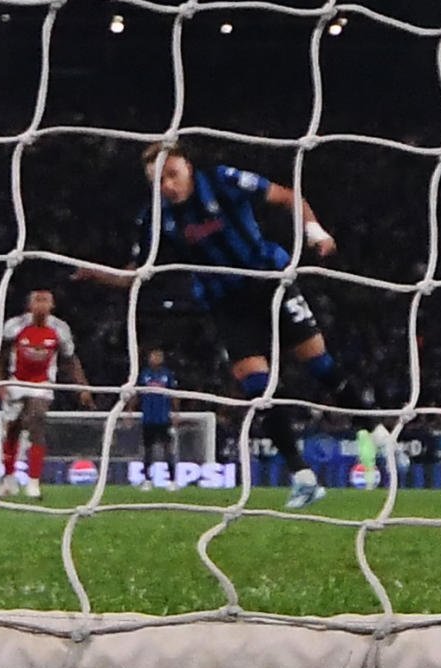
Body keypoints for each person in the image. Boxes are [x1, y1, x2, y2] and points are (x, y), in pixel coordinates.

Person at [76, 143, 347, 509]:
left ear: (188, 166)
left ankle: (376, 429)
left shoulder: (222, 181)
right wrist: (94, 273)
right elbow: (134, 277)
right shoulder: (155, 219)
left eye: (173, 175)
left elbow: (287, 196)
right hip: (226, 304)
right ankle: (303, 477)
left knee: (320, 366)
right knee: (258, 389)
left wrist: (315, 231)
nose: (168, 186)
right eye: (159, 182)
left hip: (269, 281)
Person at [0, 287, 91, 499]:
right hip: (16, 381)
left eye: (46, 300)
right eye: (38, 300)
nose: (42, 304)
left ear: (52, 306)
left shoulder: (60, 329)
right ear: (30, 305)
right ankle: (9, 479)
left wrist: (82, 386)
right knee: (13, 430)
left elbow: (70, 359)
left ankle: (33, 482)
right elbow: (1, 353)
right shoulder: (15, 326)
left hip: (43, 384)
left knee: (36, 420)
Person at [136, 346, 178, 465]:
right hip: (148, 417)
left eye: (159, 356)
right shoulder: (144, 374)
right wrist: (130, 409)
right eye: (154, 356)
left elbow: (174, 394)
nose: (156, 358)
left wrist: (176, 412)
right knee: (148, 449)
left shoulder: (167, 374)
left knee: (167, 448)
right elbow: (137, 393)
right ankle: (147, 478)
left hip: (164, 417)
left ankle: (171, 479)